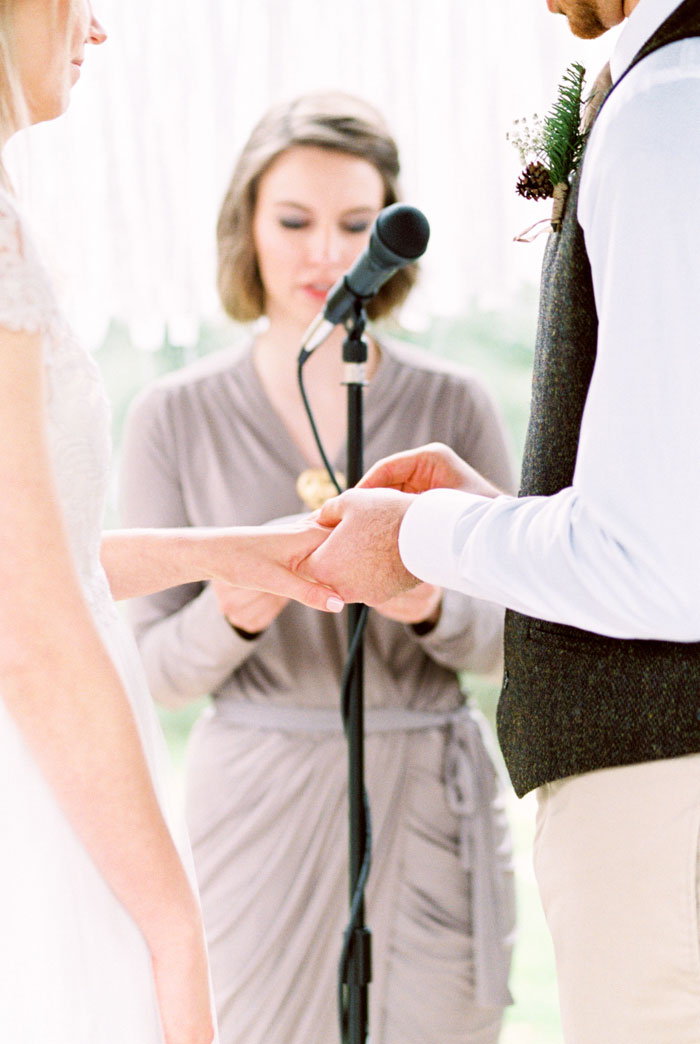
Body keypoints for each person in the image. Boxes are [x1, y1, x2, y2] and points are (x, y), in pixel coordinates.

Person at [300, 2, 700, 1043]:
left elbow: (664, 566)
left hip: (664, 795)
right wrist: (489, 520)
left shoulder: (670, 104)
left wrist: (415, 537)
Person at [119, 90, 517, 1044]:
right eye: (293, 221)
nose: (325, 255)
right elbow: (153, 670)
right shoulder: (170, 417)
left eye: (355, 224)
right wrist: (239, 604)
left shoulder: (455, 404)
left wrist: (422, 597)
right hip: (251, 817)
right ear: (245, 228)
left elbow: (516, 639)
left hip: (428, 811)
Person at [0, 6, 345, 1044]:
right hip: (41, 793)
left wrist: (242, 554)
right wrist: (170, 924)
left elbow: (37, 551)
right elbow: (28, 616)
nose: (95, 28)